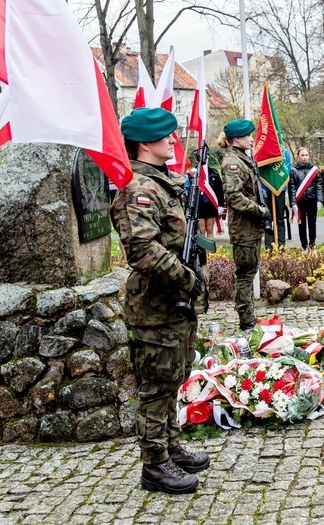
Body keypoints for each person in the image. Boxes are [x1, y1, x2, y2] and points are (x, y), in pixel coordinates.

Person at [109, 107, 210, 494]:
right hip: (155, 305)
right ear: (146, 143)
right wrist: (187, 279)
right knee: (155, 387)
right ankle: (154, 466)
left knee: (173, 377)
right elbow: (140, 249)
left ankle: (168, 447)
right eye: (166, 135)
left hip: (171, 303)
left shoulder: (160, 183)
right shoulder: (140, 189)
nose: (173, 141)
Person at [221, 119, 268, 332]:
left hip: (251, 227)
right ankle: (246, 319)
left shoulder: (242, 158)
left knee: (250, 271)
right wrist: (259, 210)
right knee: (245, 274)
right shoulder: (232, 161)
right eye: (249, 136)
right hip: (243, 228)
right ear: (237, 138)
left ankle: (249, 316)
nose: (252, 139)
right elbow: (234, 196)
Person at [288, 147, 323, 251]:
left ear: (309, 156)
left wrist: (319, 200)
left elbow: (319, 185)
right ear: (298, 157)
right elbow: (292, 188)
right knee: (302, 225)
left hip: (312, 200)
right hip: (300, 202)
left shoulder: (315, 170)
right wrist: (293, 203)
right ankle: (304, 246)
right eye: (302, 155)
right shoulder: (294, 171)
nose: (304, 157)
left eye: (306, 155)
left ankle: (312, 245)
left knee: (312, 224)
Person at [197, 163, 224, 239]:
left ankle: (209, 250)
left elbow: (220, 191)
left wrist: (220, 205)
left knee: (210, 229)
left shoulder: (213, 173)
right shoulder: (194, 173)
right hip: (199, 205)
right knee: (201, 230)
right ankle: (202, 250)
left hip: (211, 204)